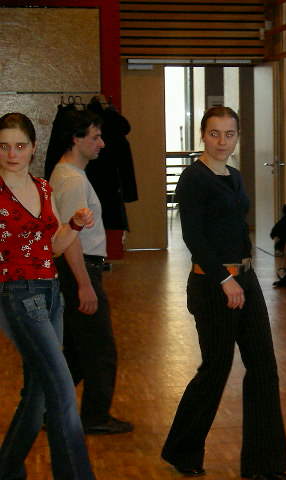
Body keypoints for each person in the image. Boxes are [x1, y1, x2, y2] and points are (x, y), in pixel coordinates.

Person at [161, 106, 286, 480]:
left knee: (264, 367)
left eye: (229, 134)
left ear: (237, 136)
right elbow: (194, 237)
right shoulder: (193, 179)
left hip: (245, 280)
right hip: (212, 284)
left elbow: (235, 229)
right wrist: (224, 279)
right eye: (214, 133)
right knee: (216, 369)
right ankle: (182, 449)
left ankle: (264, 464)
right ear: (202, 135)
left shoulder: (234, 176)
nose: (222, 141)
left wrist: (242, 276)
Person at [0, 112, 96, 479]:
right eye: (4, 146)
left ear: (33, 147)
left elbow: (54, 245)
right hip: (16, 294)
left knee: (40, 394)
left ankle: (7, 469)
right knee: (62, 391)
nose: (12, 154)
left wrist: (75, 224)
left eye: (20, 146)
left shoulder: (42, 187)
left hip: (51, 291)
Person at [48, 109, 133, 435]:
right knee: (100, 352)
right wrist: (85, 285)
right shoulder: (71, 180)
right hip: (79, 270)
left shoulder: (68, 174)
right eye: (95, 137)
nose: (102, 143)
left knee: (78, 354)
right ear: (76, 139)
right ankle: (95, 417)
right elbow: (70, 239)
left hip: (75, 271)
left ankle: (45, 409)